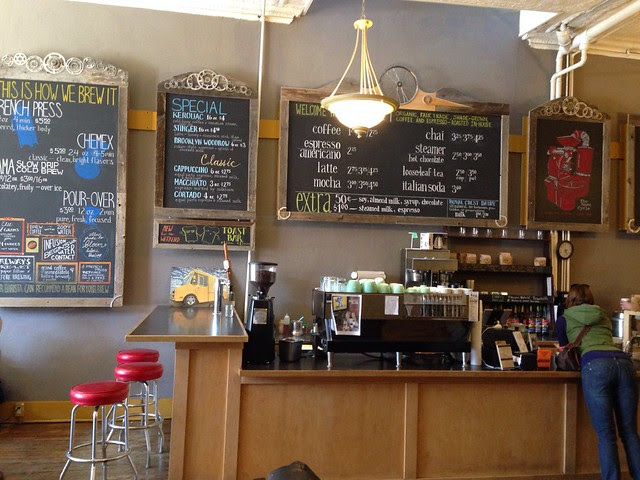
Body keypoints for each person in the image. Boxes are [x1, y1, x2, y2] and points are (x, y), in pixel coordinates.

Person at [556, 284, 640, 480]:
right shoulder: (603, 315)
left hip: (595, 366)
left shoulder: (564, 319)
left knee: (606, 435)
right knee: (630, 433)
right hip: (623, 364)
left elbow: (564, 349)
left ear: (569, 300)